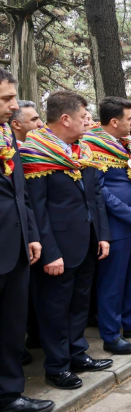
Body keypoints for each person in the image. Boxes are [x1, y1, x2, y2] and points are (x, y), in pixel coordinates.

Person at [21, 90, 113, 389]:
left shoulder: (80, 151)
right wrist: (50, 252)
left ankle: (77, 353)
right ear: (65, 119)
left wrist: (102, 235)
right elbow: (37, 209)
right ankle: (57, 366)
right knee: (54, 309)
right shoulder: (36, 152)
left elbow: (94, 198)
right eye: (82, 117)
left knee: (79, 305)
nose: (87, 122)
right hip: (58, 247)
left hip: (86, 241)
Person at [84, 97, 131, 355]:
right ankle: (110, 333)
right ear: (114, 121)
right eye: (129, 119)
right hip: (115, 226)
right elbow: (100, 191)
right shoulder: (92, 146)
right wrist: (130, 213)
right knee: (112, 282)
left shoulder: (125, 145)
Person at [0, 69, 54, 412]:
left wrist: (32, 235)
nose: (14, 105)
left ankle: (8, 394)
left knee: (10, 328)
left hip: (15, 246)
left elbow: (18, 192)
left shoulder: (6, 135)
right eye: (6, 99)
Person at [8, 100, 44, 362]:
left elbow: (25, 197)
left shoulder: (15, 146)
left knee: (21, 305)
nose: (40, 124)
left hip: (24, 234)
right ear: (17, 124)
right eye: (33, 120)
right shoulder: (12, 146)